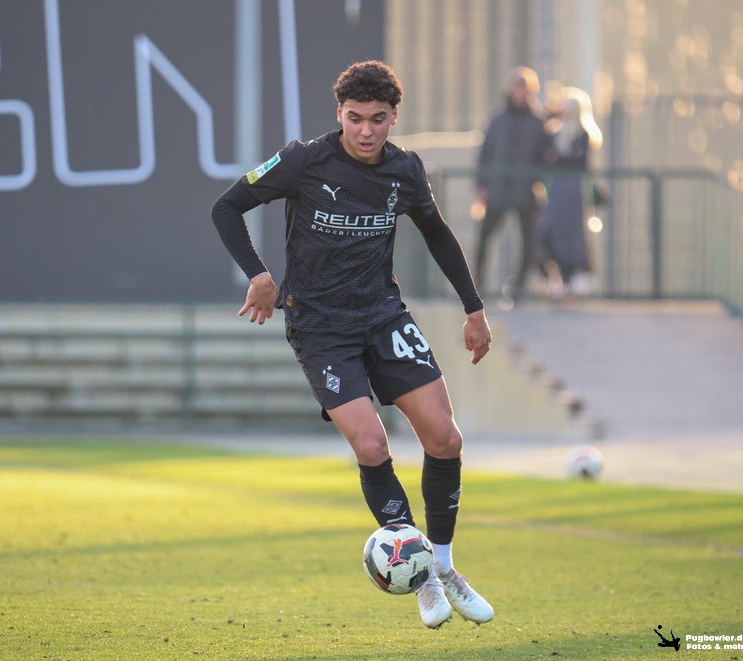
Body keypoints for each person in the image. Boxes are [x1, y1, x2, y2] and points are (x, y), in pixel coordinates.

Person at [211, 60, 494, 629]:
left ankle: (442, 566)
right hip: (320, 327)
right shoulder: (303, 160)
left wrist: (473, 308)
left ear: (394, 118)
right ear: (339, 114)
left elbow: (437, 233)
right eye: (355, 118)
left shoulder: (405, 170)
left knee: (445, 438)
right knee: (370, 445)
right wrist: (259, 274)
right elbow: (226, 207)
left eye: (378, 119)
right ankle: (418, 577)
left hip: (383, 317)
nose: (366, 131)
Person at [473, 67, 551, 302]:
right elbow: (486, 154)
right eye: (517, 86)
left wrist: (538, 181)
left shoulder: (538, 122)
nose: (520, 92)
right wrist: (482, 186)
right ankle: (477, 285)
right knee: (485, 236)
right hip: (498, 189)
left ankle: (520, 287)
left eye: (525, 88)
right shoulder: (498, 120)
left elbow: (545, 157)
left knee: (529, 241)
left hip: (525, 191)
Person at [535, 87, 602, 300]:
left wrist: (562, 155)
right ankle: (553, 277)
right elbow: (546, 155)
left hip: (574, 191)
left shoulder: (585, 134)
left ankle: (573, 277)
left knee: (573, 235)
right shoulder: (554, 132)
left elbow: (577, 160)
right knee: (547, 232)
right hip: (555, 191)